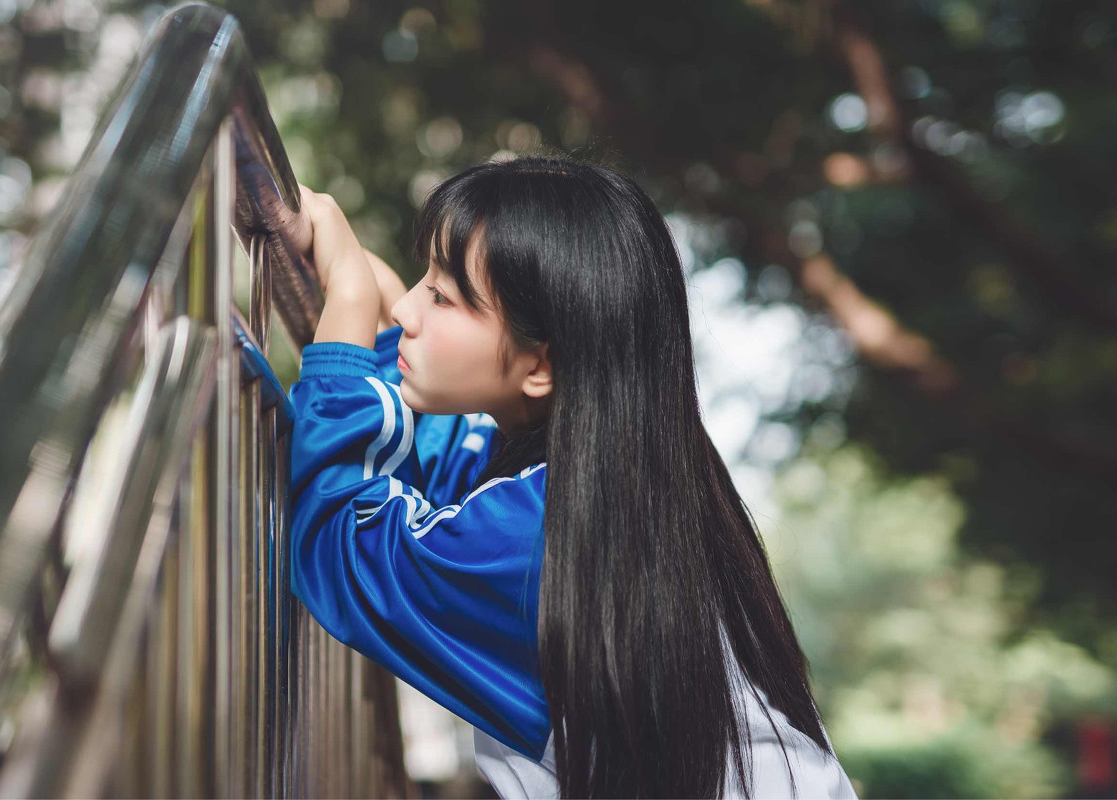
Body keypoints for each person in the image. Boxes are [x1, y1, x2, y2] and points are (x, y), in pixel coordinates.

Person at [288, 154, 858, 799]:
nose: (413, 312)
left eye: (442, 295)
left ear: (542, 366)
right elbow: (450, 465)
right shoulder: (621, 491)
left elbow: (341, 539)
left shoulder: (541, 536)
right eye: (424, 282)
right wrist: (382, 298)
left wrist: (350, 300)